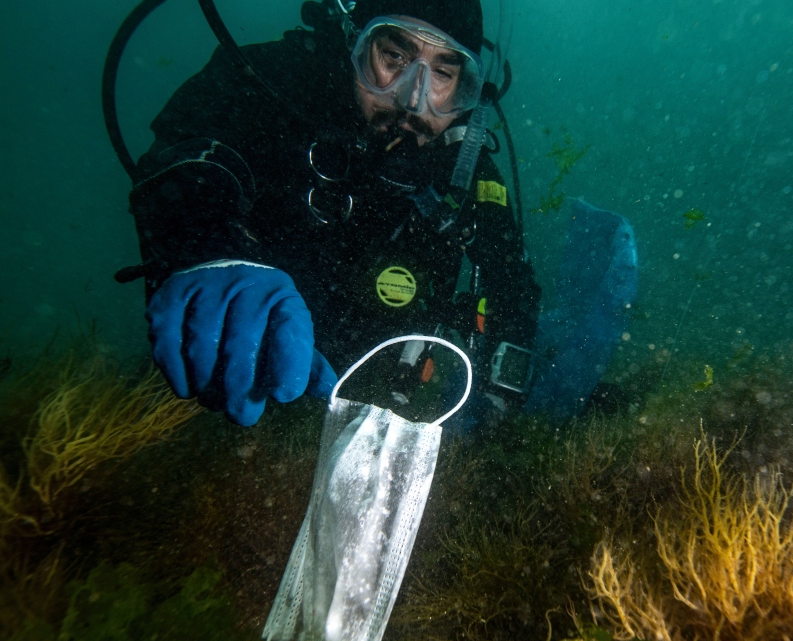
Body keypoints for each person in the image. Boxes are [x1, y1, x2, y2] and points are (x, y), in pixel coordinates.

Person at [125, 0, 540, 426]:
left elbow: (512, 284)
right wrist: (213, 249)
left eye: (444, 73)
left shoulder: (462, 167)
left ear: (464, 89)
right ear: (353, 42)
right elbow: (189, 149)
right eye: (394, 57)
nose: (414, 99)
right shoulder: (279, 84)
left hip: (378, 409)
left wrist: (497, 408)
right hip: (232, 384)